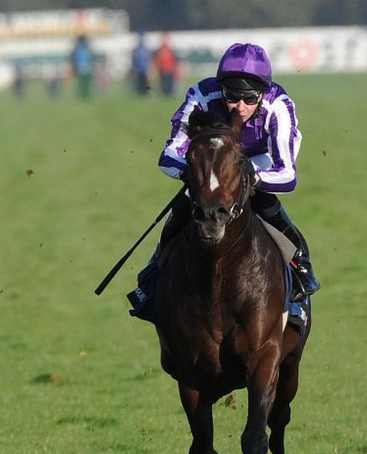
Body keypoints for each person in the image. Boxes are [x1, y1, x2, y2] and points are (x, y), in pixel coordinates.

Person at [128, 43, 319, 321]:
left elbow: (288, 175)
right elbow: (169, 154)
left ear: (263, 93)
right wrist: (197, 175)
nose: (239, 107)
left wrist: (249, 177)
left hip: (259, 162)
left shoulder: (278, 105)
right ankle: (154, 275)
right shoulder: (201, 97)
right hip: (212, 164)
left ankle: (301, 271)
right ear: (221, 89)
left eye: (250, 98)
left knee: (266, 205)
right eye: (231, 96)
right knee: (183, 209)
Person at [70, 34, 94, 100]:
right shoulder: (87, 47)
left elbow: (74, 58)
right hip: (86, 66)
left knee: (81, 82)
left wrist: (74, 67)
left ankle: (82, 95)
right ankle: (86, 95)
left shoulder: (77, 48)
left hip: (80, 66)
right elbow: (90, 57)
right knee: (86, 82)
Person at [130, 32, 151, 96]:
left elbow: (149, 59)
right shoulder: (136, 49)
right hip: (138, 70)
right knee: (139, 83)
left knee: (146, 83)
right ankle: (139, 93)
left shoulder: (146, 49)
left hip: (145, 69)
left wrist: (149, 68)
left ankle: (146, 93)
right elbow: (134, 60)